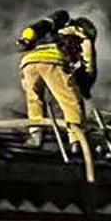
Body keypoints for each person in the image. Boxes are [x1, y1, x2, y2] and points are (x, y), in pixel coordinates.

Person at [16, 15, 85, 147]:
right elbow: (75, 53)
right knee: (69, 100)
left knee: (34, 100)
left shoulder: (40, 29)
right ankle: (76, 139)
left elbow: (28, 33)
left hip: (29, 63)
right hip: (52, 61)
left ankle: (36, 134)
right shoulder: (69, 31)